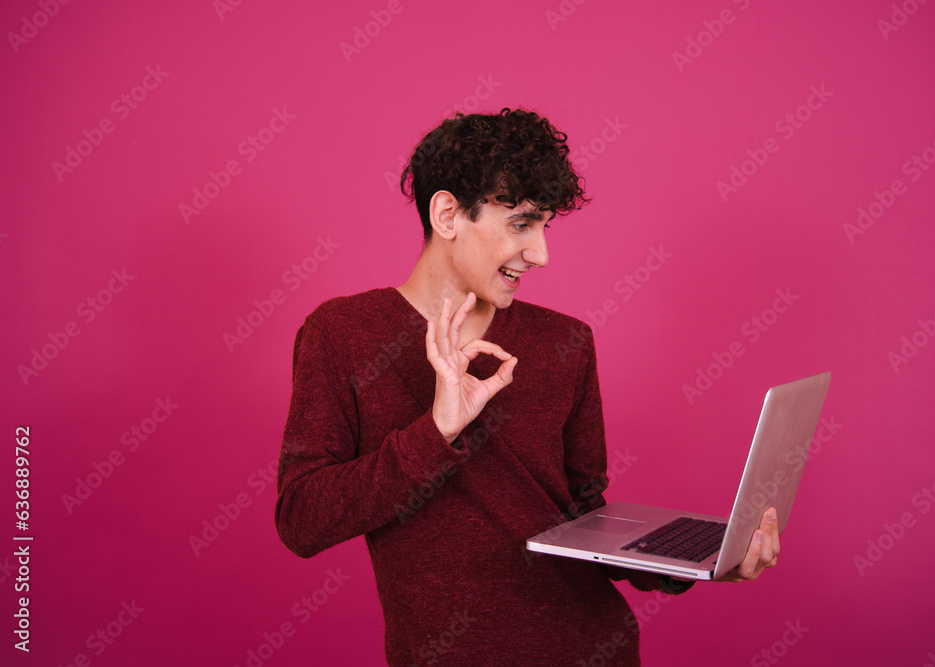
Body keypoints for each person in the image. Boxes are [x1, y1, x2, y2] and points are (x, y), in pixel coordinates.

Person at [274, 107, 779, 666]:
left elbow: (585, 515)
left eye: (545, 227)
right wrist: (436, 431)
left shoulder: (567, 341)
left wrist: (692, 560)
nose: (540, 254)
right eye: (521, 224)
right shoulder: (343, 335)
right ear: (448, 214)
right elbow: (302, 519)